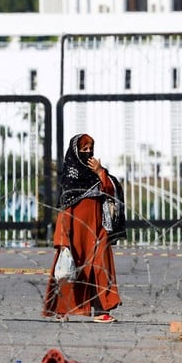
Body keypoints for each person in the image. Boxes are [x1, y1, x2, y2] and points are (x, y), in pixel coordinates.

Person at [43, 133, 121, 323]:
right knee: (69, 268)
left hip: (98, 228)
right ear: (75, 152)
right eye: (83, 149)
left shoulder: (97, 173)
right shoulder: (70, 177)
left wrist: (100, 172)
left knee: (102, 267)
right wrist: (62, 239)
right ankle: (62, 310)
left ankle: (102, 310)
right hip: (76, 231)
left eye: (90, 149)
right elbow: (64, 207)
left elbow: (111, 190)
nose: (88, 153)